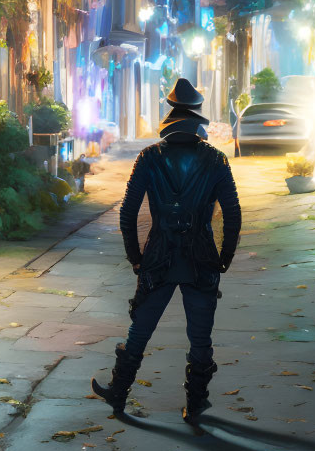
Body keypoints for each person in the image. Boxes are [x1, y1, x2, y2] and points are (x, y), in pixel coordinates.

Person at [92, 78, 242, 422]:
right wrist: (225, 255)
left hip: (157, 257)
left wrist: (135, 256)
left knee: (140, 330)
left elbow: (128, 213)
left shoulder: (149, 157)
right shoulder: (216, 161)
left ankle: (118, 394)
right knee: (200, 336)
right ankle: (195, 404)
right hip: (202, 257)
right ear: (197, 119)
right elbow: (232, 213)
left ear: (171, 115)